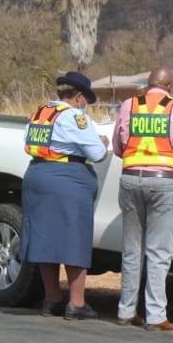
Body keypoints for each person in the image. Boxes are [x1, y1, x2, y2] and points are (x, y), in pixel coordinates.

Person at [112, 67, 173, 331]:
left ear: (149, 84)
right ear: (171, 87)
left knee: (132, 250)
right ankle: (155, 316)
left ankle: (126, 310)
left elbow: (118, 147)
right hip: (165, 182)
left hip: (130, 179)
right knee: (158, 252)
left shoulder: (129, 105)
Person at [20, 72, 109, 321]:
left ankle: (52, 299)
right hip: (68, 178)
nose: (85, 105)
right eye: (86, 100)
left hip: (37, 174)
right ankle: (77, 304)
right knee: (74, 239)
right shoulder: (75, 117)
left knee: (44, 237)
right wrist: (101, 141)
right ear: (79, 97)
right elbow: (97, 153)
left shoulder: (39, 112)